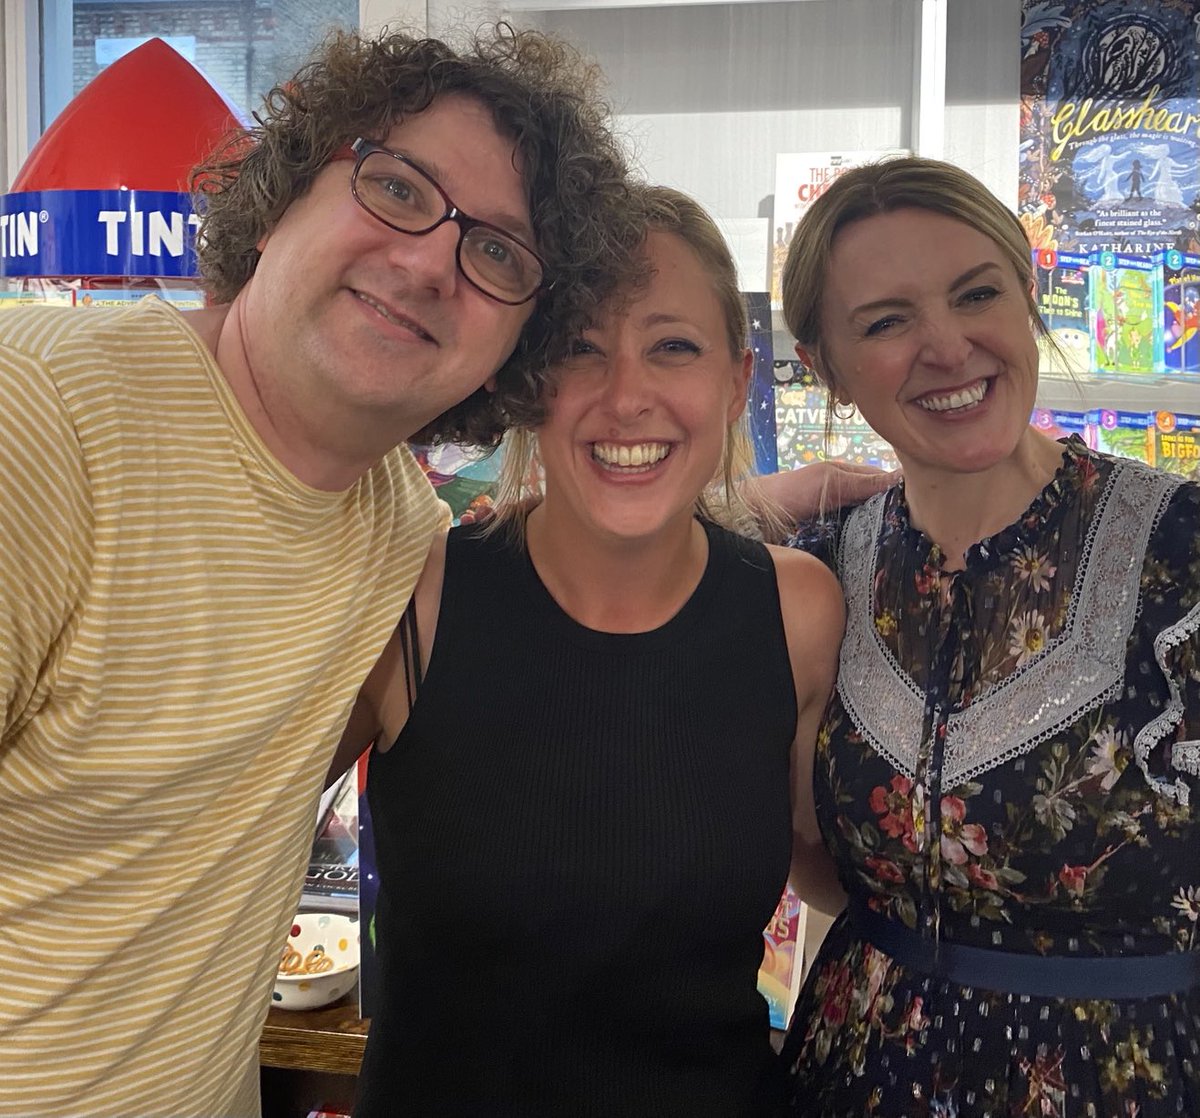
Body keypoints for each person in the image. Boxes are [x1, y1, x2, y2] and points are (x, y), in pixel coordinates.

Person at [0, 24, 647, 1117]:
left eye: (498, 252)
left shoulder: (396, 527)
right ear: (287, 187)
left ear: (518, 344)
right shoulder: (46, 418)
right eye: (397, 187)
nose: (429, 261)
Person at [332, 185, 847, 1116]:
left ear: (736, 382)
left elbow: (842, 873)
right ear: (526, 380)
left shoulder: (797, 611)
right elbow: (209, 834)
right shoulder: (413, 597)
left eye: (672, 346)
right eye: (579, 347)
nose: (626, 396)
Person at [775, 155, 1200, 1116]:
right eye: (887, 322)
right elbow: (812, 858)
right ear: (827, 367)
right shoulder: (820, 573)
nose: (947, 345)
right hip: (855, 1074)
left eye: (977, 294)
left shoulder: (1182, 551)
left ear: (1026, 296)